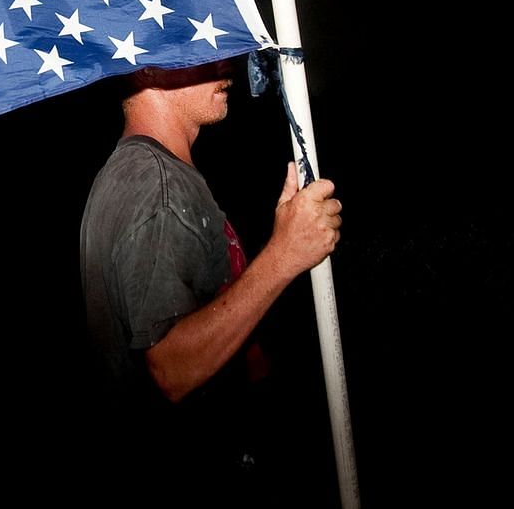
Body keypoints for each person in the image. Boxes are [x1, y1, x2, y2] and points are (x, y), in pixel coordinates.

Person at [78, 57, 342, 498]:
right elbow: (172, 369)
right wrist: (283, 255)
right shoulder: (156, 185)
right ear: (148, 70)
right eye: (203, 53)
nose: (228, 68)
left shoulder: (156, 173)